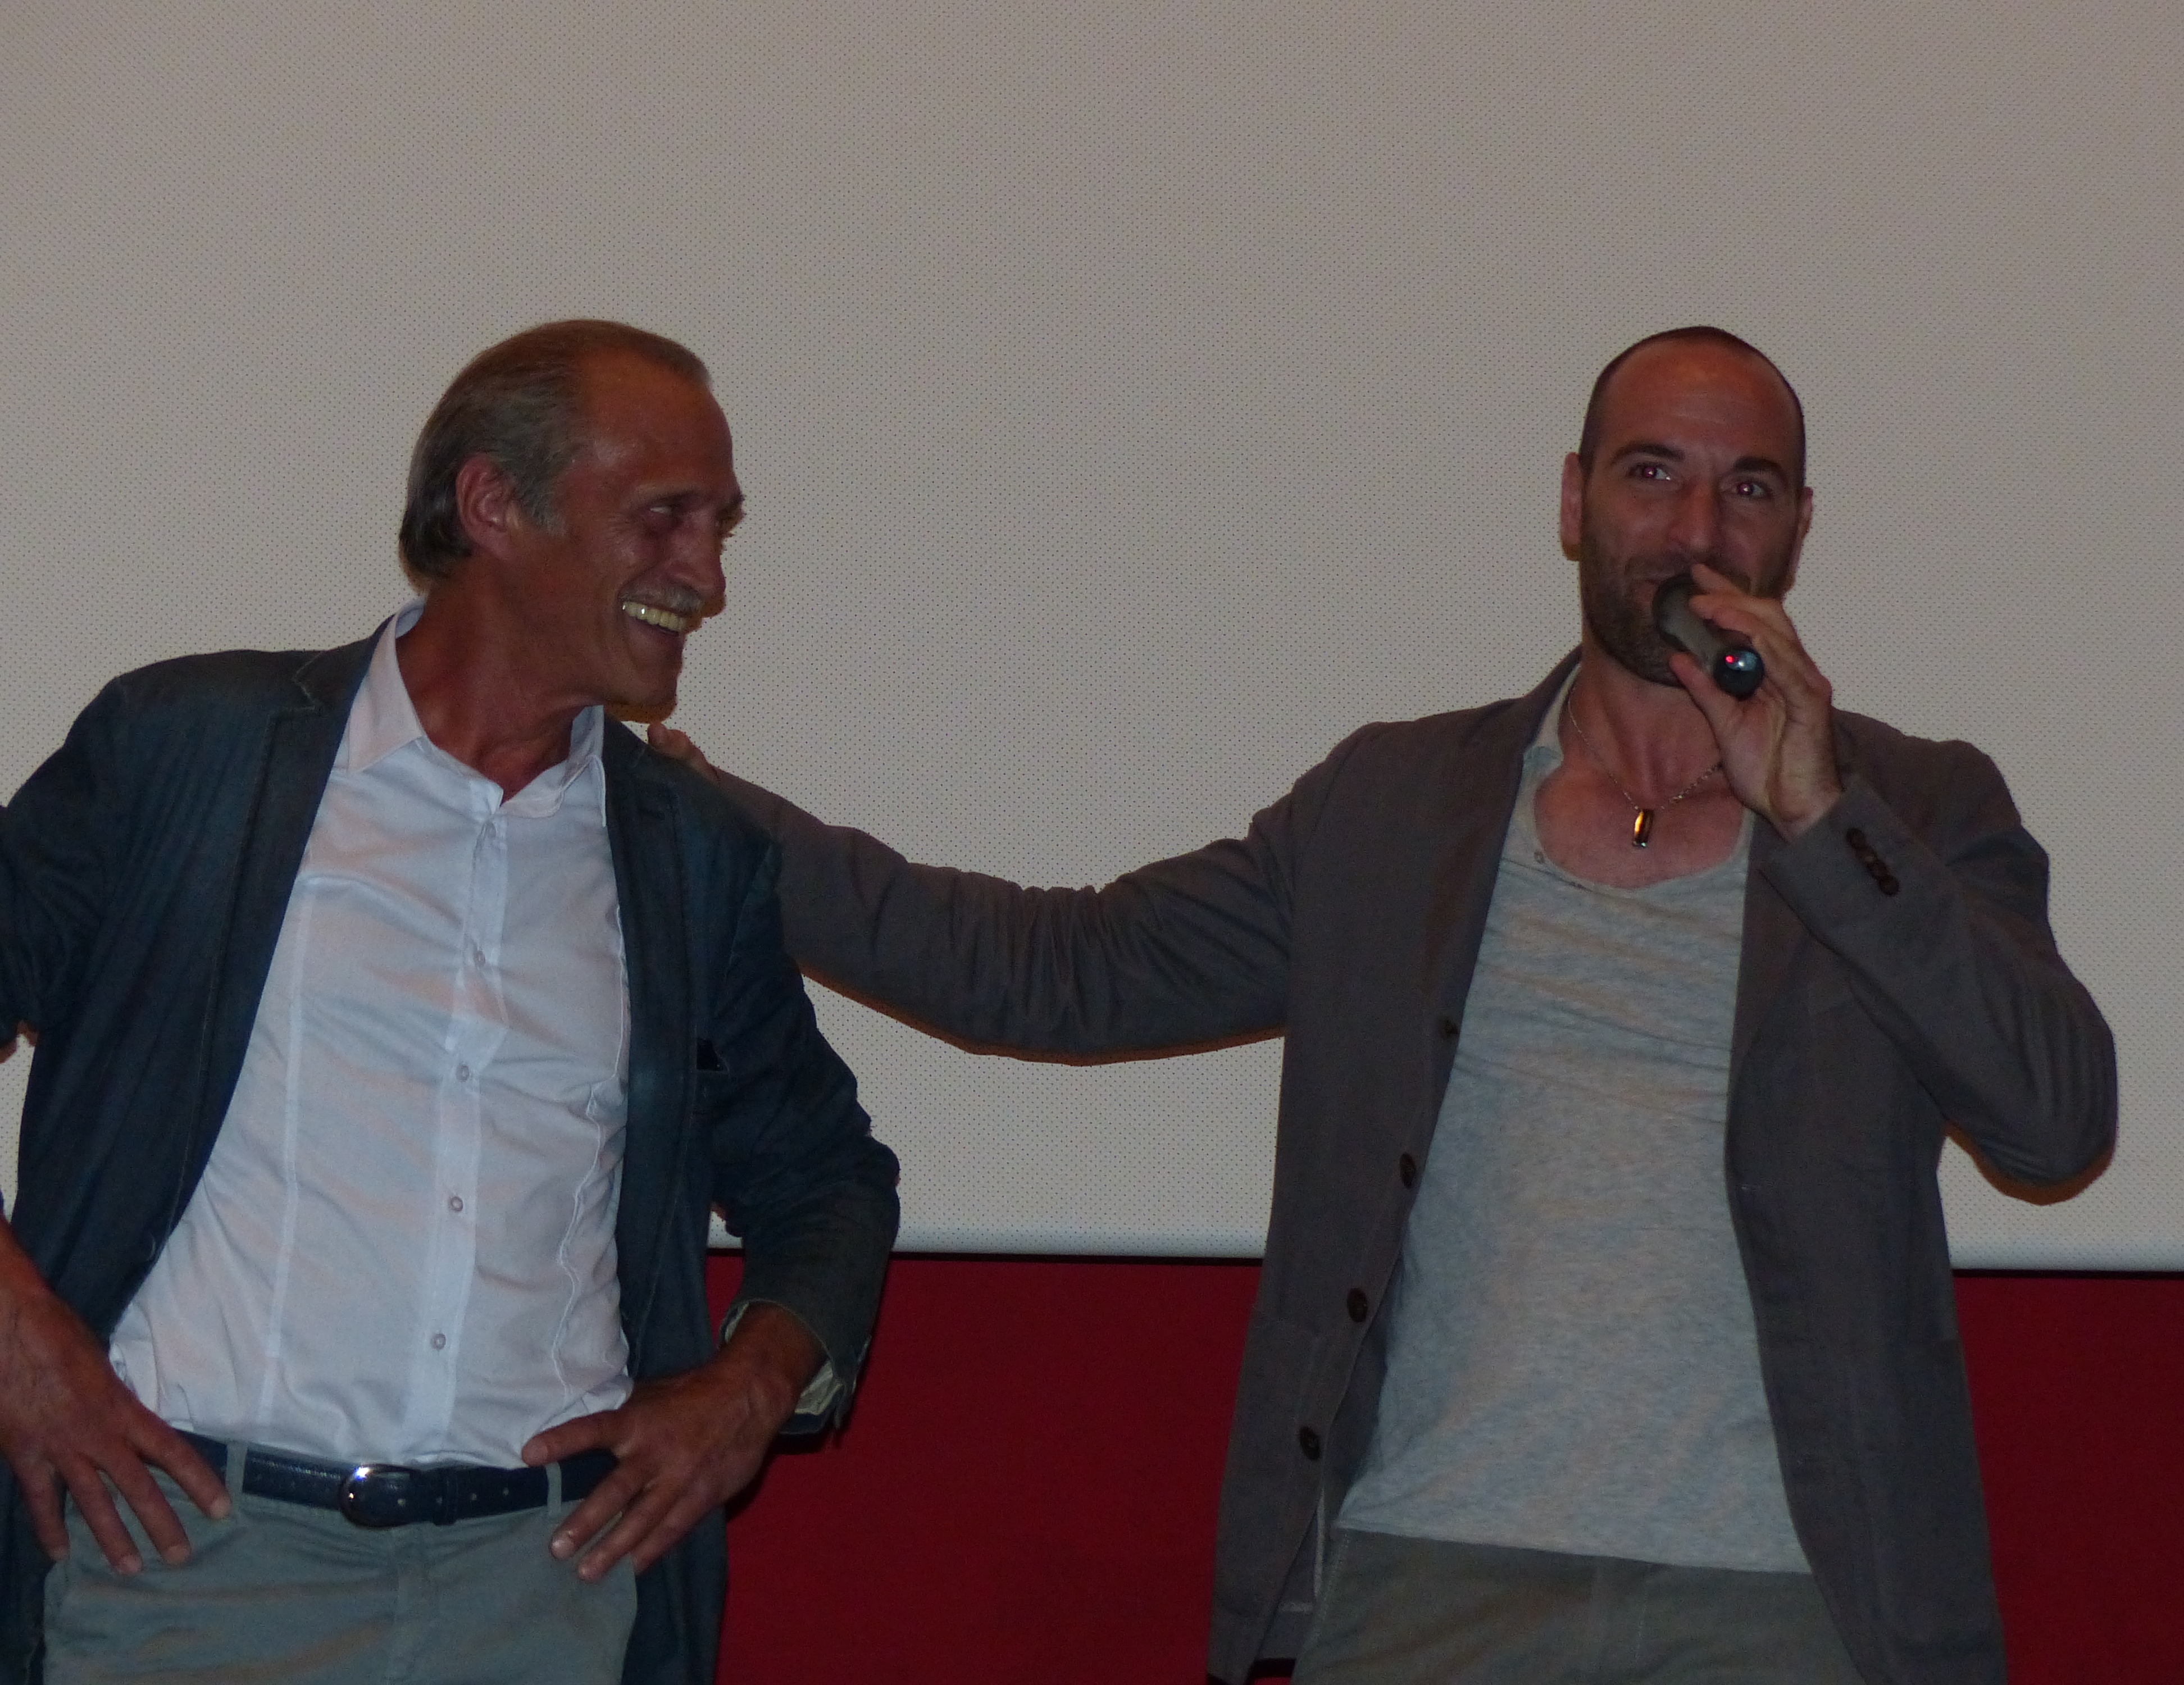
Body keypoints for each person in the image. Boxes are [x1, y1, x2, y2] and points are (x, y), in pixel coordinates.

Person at [672, 327, 2115, 1683]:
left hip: (1789, 1600)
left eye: (1747, 487)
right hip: (1430, 1575)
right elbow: (1056, 971)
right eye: (1651, 473)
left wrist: (1821, 817)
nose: (1697, 530)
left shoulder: (1916, 809)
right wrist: (718, 827)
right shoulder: (1399, 806)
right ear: (1574, 503)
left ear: (1798, 526)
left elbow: (2054, 1123)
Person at [0, 320, 899, 1684]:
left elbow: (827, 1178)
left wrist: (754, 1384)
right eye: (663, 519)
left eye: (720, 528)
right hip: (190, 1567)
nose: (706, 577)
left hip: (544, 1589)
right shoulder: (192, 751)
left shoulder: (689, 854)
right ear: (493, 505)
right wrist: (21, 1337)